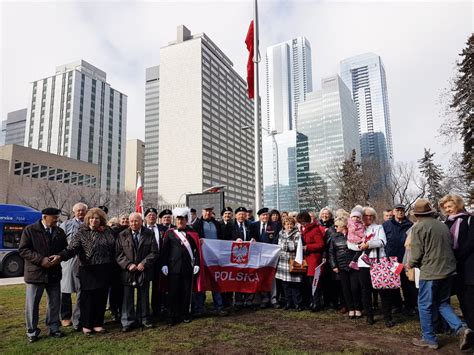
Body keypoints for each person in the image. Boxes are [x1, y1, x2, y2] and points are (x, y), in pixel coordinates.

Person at [408, 199, 473, 351]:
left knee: (424, 305)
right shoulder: (443, 225)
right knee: (442, 303)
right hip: (448, 271)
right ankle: (462, 329)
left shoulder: (418, 227)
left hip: (431, 271)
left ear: (417, 215)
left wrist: (410, 264)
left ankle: (429, 339)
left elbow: (417, 253)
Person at [19, 207, 70, 342]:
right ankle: (32, 332)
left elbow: (66, 250)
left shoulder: (59, 232)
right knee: (32, 305)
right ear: (45, 217)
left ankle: (53, 328)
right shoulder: (30, 230)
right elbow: (23, 250)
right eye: (54, 218)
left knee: (54, 303)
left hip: (54, 273)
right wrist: (41, 260)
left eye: (57, 217)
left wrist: (59, 256)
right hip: (35, 274)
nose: (56, 220)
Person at [67, 208, 116, 336]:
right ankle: (86, 325)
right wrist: (60, 256)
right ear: (88, 219)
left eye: (97, 218)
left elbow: (115, 246)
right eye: (92, 218)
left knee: (101, 297)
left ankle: (98, 323)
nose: (94, 220)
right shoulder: (82, 232)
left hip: (105, 269)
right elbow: (72, 248)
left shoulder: (107, 231)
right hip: (88, 269)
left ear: (101, 220)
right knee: (88, 299)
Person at [347, 207, 395, 327]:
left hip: (378, 262)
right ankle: (369, 315)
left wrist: (368, 244)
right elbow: (350, 244)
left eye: (370, 216)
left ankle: (387, 317)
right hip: (364, 263)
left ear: (373, 217)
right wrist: (359, 246)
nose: (368, 217)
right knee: (365, 290)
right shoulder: (357, 228)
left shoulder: (378, 228)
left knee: (383, 290)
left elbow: (382, 242)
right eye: (366, 215)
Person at [116, 212, 158, 331]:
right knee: (127, 297)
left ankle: (144, 319)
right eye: (131, 221)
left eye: (136, 221)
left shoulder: (149, 234)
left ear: (141, 222)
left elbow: (154, 252)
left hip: (143, 270)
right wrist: (128, 265)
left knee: (144, 296)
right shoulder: (122, 235)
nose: (134, 223)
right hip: (128, 272)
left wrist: (144, 263)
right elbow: (118, 254)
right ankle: (127, 321)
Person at [160, 207, 200, 325]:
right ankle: (172, 316)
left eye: (182, 220)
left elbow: (197, 250)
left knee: (186, 292)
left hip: (187, 268)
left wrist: (197, 263)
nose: (180, 222)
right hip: (173, 268)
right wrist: (164, 265)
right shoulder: (170, 233)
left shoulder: (192, 233)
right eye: (178, 220)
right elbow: (164, 251)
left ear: (186, 220)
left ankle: (185, 314)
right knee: (173, 293)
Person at [439, 194, 474, 330]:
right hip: (454, 269)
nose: (448, 209)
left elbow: (471, 242)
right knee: (464, 303)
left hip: (469, 267)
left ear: (457, 204)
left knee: (471, 302)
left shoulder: (469, 219)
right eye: (445, 207)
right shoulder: (446, 223)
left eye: (450, 206)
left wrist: (456, 256)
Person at [192, 205, 226, 316]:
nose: (208, 213)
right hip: (202, 258)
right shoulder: (197, 224)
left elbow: (221, 239)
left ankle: (219, 307)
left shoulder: (217, 224)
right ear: (202, 212)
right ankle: (199, 308)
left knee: (216, 282)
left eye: (210, 211)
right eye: (206, 211)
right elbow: (193, 240)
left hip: (215, 258)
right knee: (201, 282)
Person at [383, 203, 417, 315]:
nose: (400, 212)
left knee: (408, 284)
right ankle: (396, 305)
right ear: (393, 212)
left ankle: (410, 306)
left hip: (406, 259)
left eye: (402, 210)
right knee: (394, 284)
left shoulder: (410, 225)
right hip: (393, 260)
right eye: (397, 210)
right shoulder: (387, 225)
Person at [59, 202, 87, 330]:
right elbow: (60, 242)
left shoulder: (90, 224)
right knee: (66, 289)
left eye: (83, 210)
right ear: (74, 212)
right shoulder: (66, 224)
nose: (81, 213)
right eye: (79, 211)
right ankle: (65, 316)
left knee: (83, 290)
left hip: (86, 261)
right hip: (70, 260)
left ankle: (80, 316)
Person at [329, 216, 362, 319]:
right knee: (346, 288)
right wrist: (334, 265)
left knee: (355, 287)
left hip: (353, 265)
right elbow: (331, 252)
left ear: (343, 226)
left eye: (337, 226)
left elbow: (358, 249)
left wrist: (355, 261)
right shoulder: (334, 237)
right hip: (341, 266)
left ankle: (358, 308)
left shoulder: (353, 235)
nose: (335, 228)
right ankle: (350, 308)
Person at [297, 211, 326, 312]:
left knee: (315, 282)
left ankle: (316, 303)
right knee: (309, 282)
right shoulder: (306, 230)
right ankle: (313, 301)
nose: (301, 225)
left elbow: (321, 244)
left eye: (302, 222)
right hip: (308, 259)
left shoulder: (315, 230)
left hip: (314, 259)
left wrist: (307, 247)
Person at [250, 207, 278, 309]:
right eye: (263, 215)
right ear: (259, 217)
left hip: (271, 256)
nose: (265, 217)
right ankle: (261, 299)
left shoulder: (275, 225)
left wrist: (270, 251)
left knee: (271, 277)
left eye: (266, 215)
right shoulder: (254, 226)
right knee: (259, 277)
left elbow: (276, 240)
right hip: (257, 256)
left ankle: (273, 299)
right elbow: (251, 238)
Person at [275, 216, 303, 311]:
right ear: (284, 225)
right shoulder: (280, 233)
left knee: (295, 284)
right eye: (287, 224)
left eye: (291, 224)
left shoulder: (298, 234)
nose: (289, 226)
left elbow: (294, 246)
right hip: (282, 261)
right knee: (285, 285)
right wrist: (286, 245)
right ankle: (288, 303)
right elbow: (279, 245)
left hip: (293, 261)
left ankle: (297, 303)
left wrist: (285, 245)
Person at [232, 207, 254, 309]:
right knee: (238, 277)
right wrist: (235, 240)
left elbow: (254, 236)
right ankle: (238, 301)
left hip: (248, 255)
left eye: (243, 214)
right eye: (239, 214)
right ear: (236, 215)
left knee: (248, 277)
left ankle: (248, 300)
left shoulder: (250, 225)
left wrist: (254, 240)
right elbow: (226, 238)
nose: (241, 216)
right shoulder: (231, 226)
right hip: (236, 256)